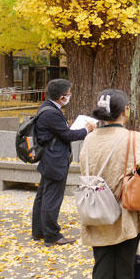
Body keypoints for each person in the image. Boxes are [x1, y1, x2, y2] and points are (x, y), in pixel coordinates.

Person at [79, 89, 140, 279]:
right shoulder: (134, 139)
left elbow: (84, 169)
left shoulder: (89, 139)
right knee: (124, 271)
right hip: (126, 213)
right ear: (125, 111)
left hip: (96, 212)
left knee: (101, 269)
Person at [31, 78, 96, 246]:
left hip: (49, 158)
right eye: (68, 93)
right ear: (61, 97)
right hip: (55, 160)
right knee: (52, 198)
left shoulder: (47, 107)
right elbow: (68, 136)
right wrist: (86, 130)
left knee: (43, 196)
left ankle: (39, 231)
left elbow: (60, 132)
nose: (70, 95)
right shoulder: (51, 113)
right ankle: (52, 236)